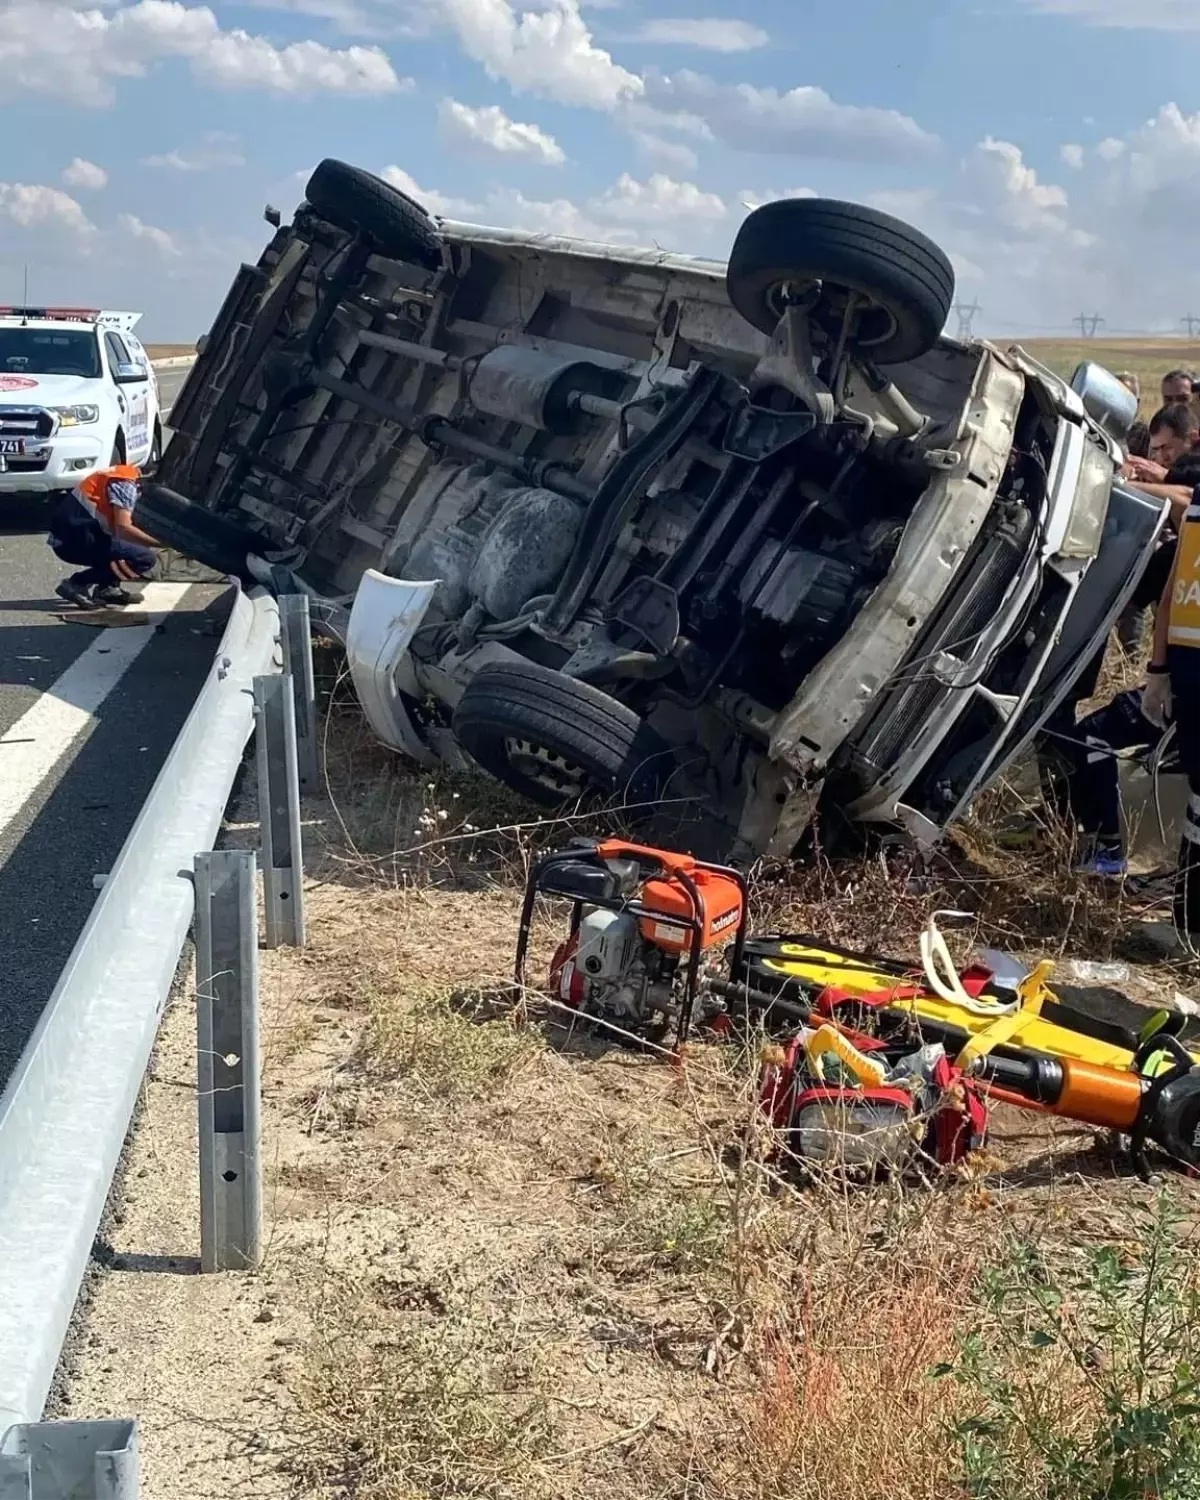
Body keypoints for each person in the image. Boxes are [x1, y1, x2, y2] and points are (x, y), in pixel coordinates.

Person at [1145, 472, 1200, 947]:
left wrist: (1159, 667)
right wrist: (1157, 669)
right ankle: (1188, 925)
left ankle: (1188, 923)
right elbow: (1174, 588)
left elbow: (1171, 594)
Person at [48, 463, 160, 610]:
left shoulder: (121, 473)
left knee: (129, 547)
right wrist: (162, 543)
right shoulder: (126, 484)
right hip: (72, 542)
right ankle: (77, 583)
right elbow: (123, 528)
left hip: (74, 535)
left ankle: (107, 588)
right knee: (144, 558)